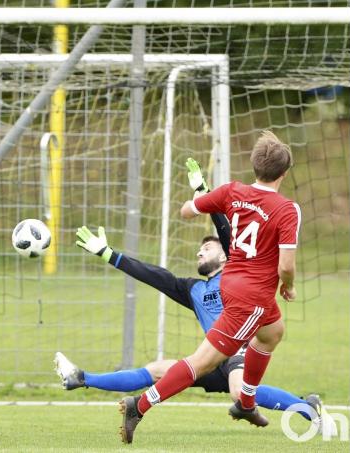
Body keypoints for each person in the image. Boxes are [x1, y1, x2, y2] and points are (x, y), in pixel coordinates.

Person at [66, 157, 326, 431]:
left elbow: (228, 224)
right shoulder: (193, 289)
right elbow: (153, 275)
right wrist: (108, 254)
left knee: (240, 383)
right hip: (216, 354)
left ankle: (301, 407)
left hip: (237, 352)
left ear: (227, 254)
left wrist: (204, 192)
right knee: (156, 369)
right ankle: (84, 378)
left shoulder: (237, 267)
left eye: (209, 247)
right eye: (200, 248)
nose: (201, 250)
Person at [116, 130, 300, 444]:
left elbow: (189, 209)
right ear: (283, 174)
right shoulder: (287, 209)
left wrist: (197, 200)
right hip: (252, 295)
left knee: (272, 332)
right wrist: (289, 286)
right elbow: (285, 265)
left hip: (233, 284)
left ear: (254, 166)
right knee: (204, 362)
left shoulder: (233, 191)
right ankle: (139, 405)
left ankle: (245, 402)